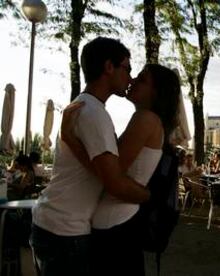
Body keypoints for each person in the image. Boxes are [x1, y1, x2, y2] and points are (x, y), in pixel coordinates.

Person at [31, 37, 151, 276]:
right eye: (127, 68)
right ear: (109, 67)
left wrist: (71, 141)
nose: (130, 77)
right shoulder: (94, 114)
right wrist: (147, 195)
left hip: (53, 221)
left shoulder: (83, 107)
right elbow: (113, 182)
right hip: (66, 231)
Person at [62, 63, 180, 275]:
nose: (132, 80)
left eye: (142, 79)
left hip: (115, 224)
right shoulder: (151, 121)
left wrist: (70, 139)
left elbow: (110, 173)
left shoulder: (145, 119)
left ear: (156, 92)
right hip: (119, 221)